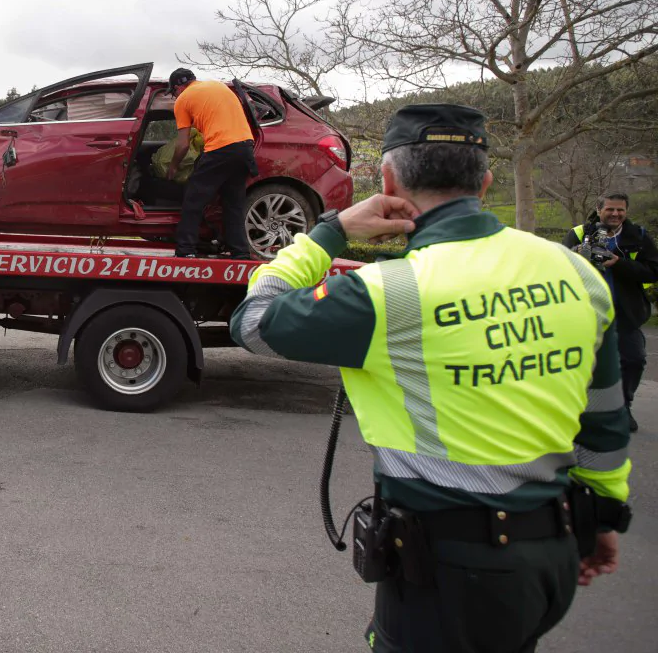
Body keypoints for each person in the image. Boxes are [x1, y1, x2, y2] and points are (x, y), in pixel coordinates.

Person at [230, 104, 632, 653]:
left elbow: (253, 323)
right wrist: (605, 516)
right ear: (486, 180)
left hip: (449, 570)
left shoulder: (388, 293)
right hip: (553, 554)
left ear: (388, 181)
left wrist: (330, 232)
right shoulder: (575, 270)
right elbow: (606, 419)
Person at [563, 193, 658, 432]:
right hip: (585, 312)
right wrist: (577, 254)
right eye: (610, 210)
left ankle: (623, 406)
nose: (616, 214)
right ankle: (580, 409)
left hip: (625, 313)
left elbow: (653, 272)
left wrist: (619, 263)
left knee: (634, 360)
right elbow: (558, 267)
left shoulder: (638, 236)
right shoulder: (578, 234)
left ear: (626, 211)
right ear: (599, 209)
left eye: (620, 210)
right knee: (581, 363)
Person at [164, 68, 257, 258]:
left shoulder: (183, 99)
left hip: (220, 149)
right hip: (245, 148)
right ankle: (240, 252)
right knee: (233, 203)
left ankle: (185, 250)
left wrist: (173, 167)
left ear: (177, 88)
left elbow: (183, 144)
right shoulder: (218, 86)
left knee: (193, 199)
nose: (174, 97)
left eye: (173, 93)